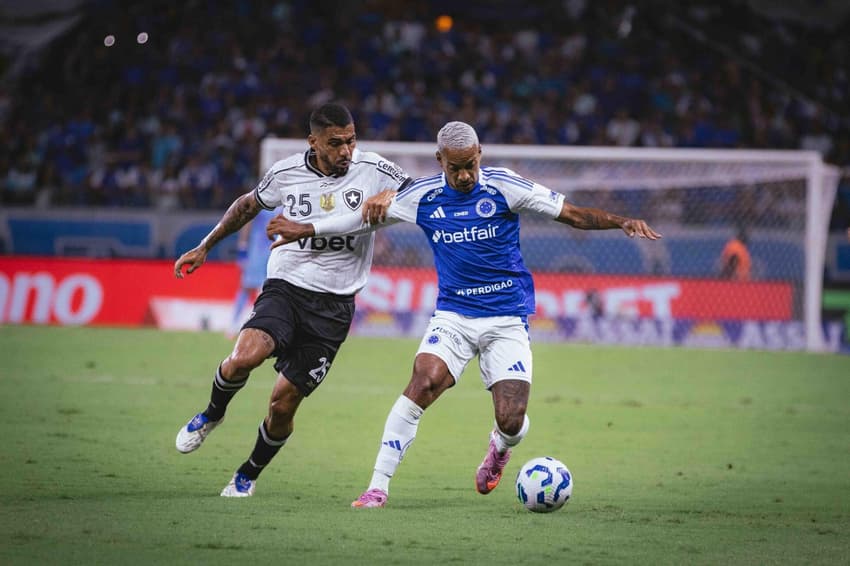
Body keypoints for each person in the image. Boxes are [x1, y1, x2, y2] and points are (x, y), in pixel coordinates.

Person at [265, 121, 661, 508]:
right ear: (439, 160)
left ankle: (500, 449)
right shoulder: (423, 197)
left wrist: (621, 221)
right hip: (454, 316)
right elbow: (359, 220)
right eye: (455, 167)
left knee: (511, 419)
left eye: (470, 164)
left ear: (479, 155)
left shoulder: (505, 186)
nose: (465, 174)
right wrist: (308, 228)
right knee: (421, 383)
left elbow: (571, 213)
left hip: (506, 317)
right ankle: (377, 488)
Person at [172, 102, 411, 497]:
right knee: (244, 357)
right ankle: (212, 413)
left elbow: (419, 190)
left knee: (282, 405)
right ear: (313, 141)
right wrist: (205, 246)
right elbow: (247, 205)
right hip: (287, 286)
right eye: (335, 143)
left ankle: (248, 473)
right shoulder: (285, 172)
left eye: (350, 141)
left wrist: (388, 192)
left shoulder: (374, 169)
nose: (345, 151)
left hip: (334, 307)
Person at [228, 208, 278, 338]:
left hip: (278, 249)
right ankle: (234, 323)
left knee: (274, 287)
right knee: (247, 286)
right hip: (258, 248)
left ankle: (265, 325)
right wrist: (242, 247)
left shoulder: (288, 198)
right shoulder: (262, 198)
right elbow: (247, 221)